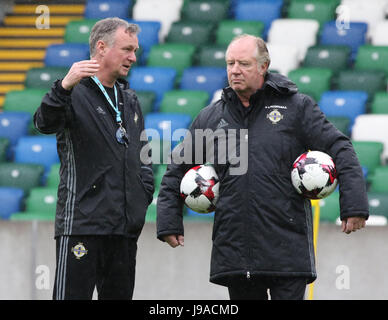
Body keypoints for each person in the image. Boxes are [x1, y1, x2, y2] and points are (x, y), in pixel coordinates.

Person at [156, 34, 368, 300]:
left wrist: (354, 206)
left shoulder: (296, 108)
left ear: (263, 66)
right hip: (235, 252)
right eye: (230, 63)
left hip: (287, 252)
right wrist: (168, 220)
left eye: (243, 63)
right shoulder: (211, 117)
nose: (235, 70)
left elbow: (341, 148)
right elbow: (177, 168)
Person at [34, 17, 154, 300]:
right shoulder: (71, 92)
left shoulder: (130, 98)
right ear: (102, 47)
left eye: (134, 50)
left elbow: (142, 156)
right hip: (82, 225)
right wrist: (62, 87)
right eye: (127, 49)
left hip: (123, 230)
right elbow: (43, 123)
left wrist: (142, 193)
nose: (133, 57)